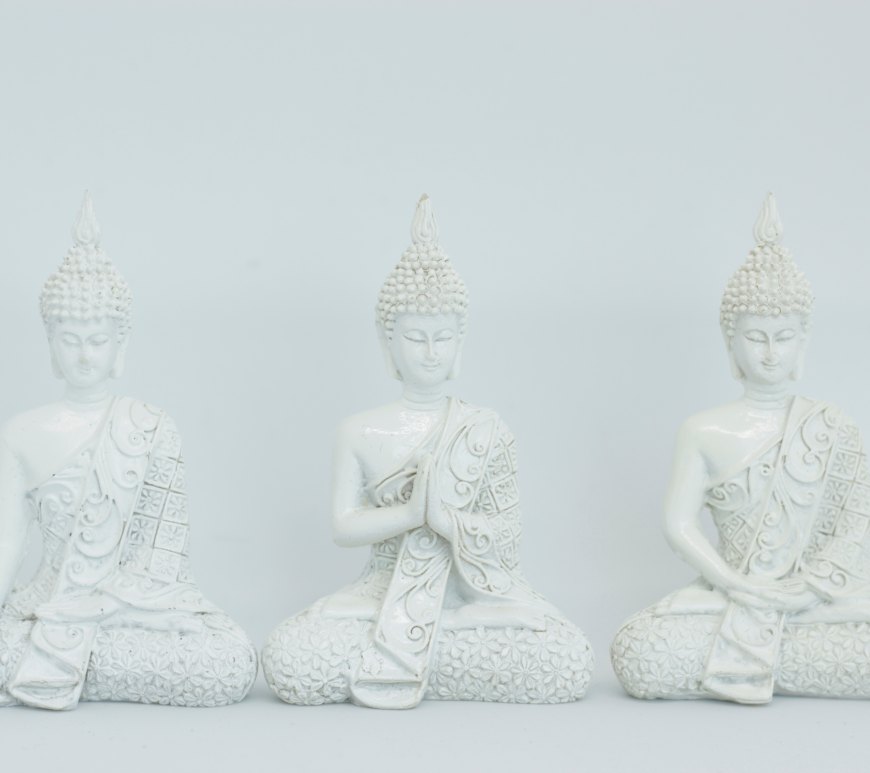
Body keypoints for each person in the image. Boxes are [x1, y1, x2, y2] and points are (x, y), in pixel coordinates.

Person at [262, 195, 593, 709]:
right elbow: (343, 527)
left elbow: (506, 536)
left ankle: (419, 647)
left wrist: (444, 521)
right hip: (381, 589)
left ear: (461, 341)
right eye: (416, 338)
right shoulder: (359, 431)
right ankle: (444, 655)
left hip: (471, 594)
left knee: (566, 656)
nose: (431, 352)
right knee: (292, 654)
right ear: (387, 341)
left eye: (443, 338)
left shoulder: (486, 429)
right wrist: (410, 514)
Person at [0, 193, 257, 709]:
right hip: (47, 603)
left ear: (121, 344)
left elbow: (165, 566)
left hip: (134, 610)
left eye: (98, 340)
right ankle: (79, 664)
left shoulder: (151, 427)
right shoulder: (19, 433)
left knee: (228, 659)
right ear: (50, 342)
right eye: (70, 339)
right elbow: (7, 545)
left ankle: (62, 666)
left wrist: (104, 605)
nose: (84, 355)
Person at [611, 194, 870, 703]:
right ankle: (794, 663)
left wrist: (805, 591)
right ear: (730, 342)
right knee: (640, 651)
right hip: (729, 593)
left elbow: (860, 529)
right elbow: (679, 526)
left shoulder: (833, 427)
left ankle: (755, 660)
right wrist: (734, 584)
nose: (770, 353)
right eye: (756, 337)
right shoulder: (703, 430)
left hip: (815, 602)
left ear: (803, 341)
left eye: (784, 337)